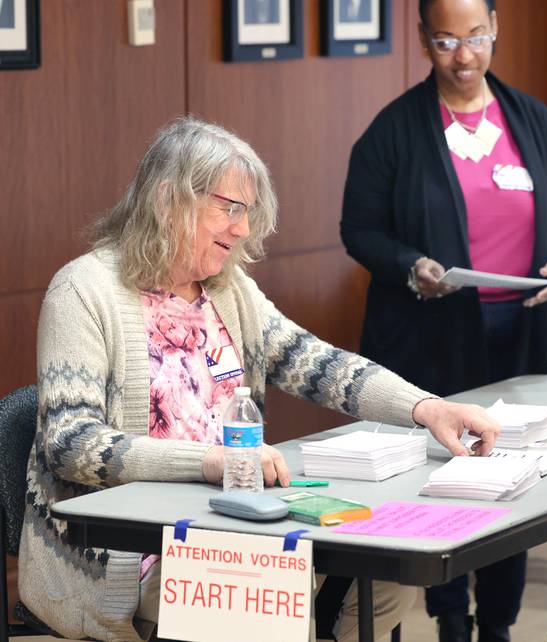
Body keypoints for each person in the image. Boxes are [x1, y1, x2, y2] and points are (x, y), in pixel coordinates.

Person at [17, 117, 501, 642]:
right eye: (229, 210)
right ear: (167, 199)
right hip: (126, 554)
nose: (242, 229)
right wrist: (208, 462)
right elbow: (72, 445)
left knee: (393, 571)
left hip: (237, 521)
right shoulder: (84, 292)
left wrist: (427, 408)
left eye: (246, 213)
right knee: (261, 586)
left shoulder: (227, 290)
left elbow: (322, 365)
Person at [340, 0, 547, 639]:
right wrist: (410, 264)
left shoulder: (530, 120)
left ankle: (498, 625)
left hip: (520, 342)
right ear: (424, 40)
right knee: (448, 482)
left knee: (514, 480)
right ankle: (450, 620)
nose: (465, 55)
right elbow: (358, 229)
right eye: (447, 40)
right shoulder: (395, 130)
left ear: (495, 30)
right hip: (436, 344)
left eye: (477, 37)